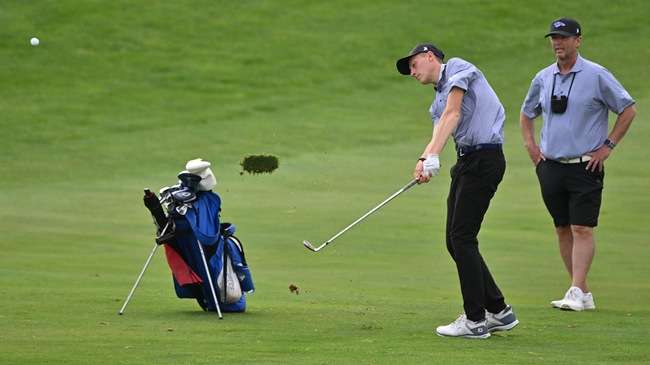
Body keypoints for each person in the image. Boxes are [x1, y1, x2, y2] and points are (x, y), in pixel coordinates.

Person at [396, 44, 518, 338]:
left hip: (485, 159)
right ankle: (499, 311)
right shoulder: (436, 100)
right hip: (467, 162)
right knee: (455, 241)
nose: (412, 73)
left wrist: (434, 154)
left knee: (462, 238)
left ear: (429, 57)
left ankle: (475, 321)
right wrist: (423, 160)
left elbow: (454, 114)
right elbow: (440, 127)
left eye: (413, 65)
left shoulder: (458, 67)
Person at [520, 18, 636, 311]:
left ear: (578, 40)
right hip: (551, 166)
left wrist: (607, 147)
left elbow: (627, 109)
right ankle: (580, 291)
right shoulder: (543, 77)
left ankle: (576, 290)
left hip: (586, 165)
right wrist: (531, 148)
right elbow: (526, 113)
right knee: (562, 228)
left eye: (564, 37)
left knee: (582, 228)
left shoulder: (596, 75)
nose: (558, 43)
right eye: (554, 38)